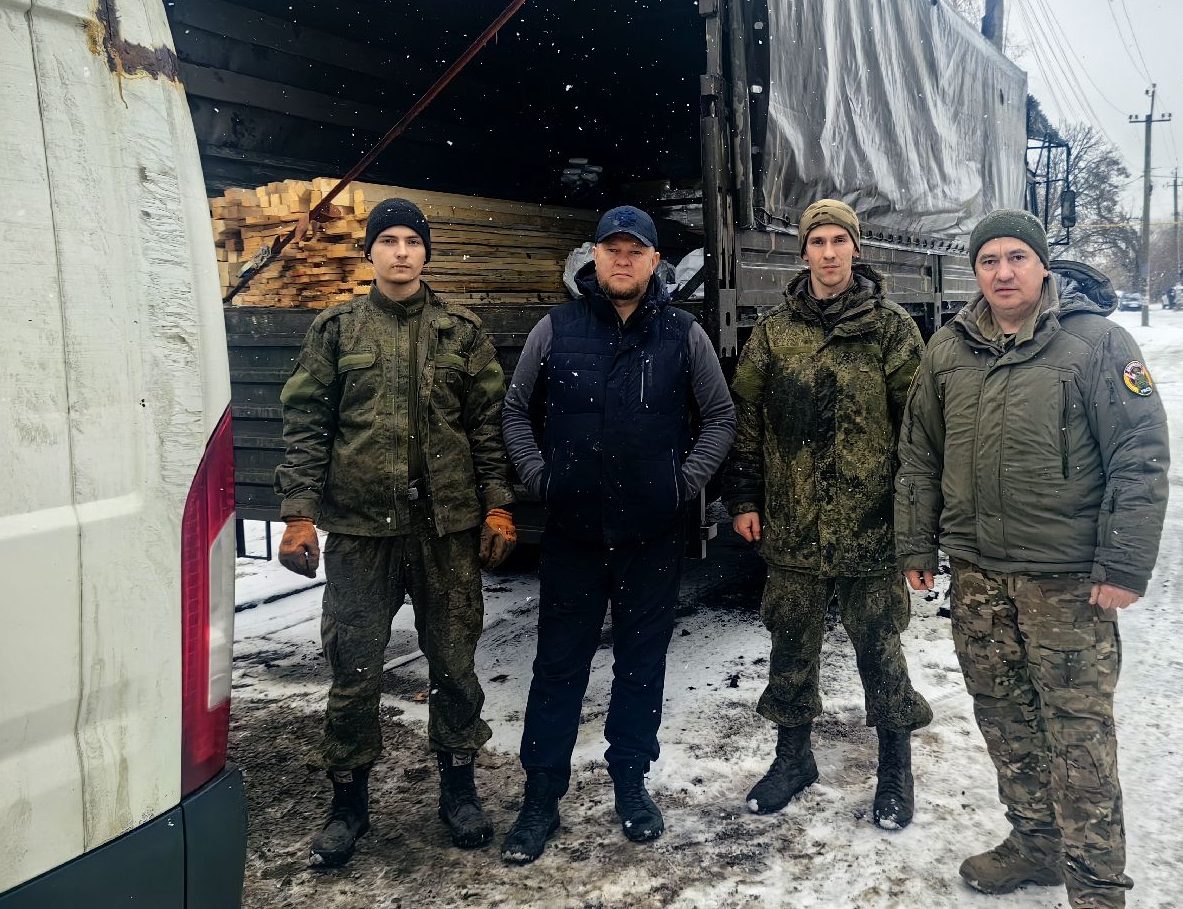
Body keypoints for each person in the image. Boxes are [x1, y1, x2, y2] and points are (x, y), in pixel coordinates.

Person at [895, 210, 1169, 908]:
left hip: (1066, 583)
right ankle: (1036, 843)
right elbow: (920, 454)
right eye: (989, 260)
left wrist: (1123, 564)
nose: (1003, 272)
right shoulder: (948, 350)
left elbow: (1139, 456)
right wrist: (917, 543)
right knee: (1005, 718)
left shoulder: (1097, 344)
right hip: (979, 575)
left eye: (1017, 256)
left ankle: (1097, 888)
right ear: (975, 271)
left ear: (1042, 264)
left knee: (1078, 736)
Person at [275, 197, 518, 866]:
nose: (402, 251)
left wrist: (498, 506)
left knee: (454, 665)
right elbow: (306, 424)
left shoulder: (460, 332)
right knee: (354, 669)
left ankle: (459, 791)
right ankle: (347, 805)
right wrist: (298, 513)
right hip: (361, 531)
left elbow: (486, 428)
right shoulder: (337, 329)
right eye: (389, 240)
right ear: (370, 252)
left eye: (413, 240)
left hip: (446, 530)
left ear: (427, 252)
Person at [499, 205, 735, 864]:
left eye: (636, 250)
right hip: (574, 535)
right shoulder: (556, 328)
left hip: (649, 537)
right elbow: (515, 412)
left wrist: (680, 485)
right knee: (557, 668)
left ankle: (631, 784)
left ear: (655, 261)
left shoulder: (683, 334)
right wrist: (541, 478)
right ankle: (540, 798)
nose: (623, 260)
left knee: (640, 666)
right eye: (612, 249)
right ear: (594, 257)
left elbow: (720, 418)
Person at [724, 199, 932, 828]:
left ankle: (894, 768)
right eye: (818, 241)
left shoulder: (891, 329)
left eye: (840, 240)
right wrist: (745, 497)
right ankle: (793, 759)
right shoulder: (774, 331)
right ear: (803, 251)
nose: (829, 252)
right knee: (790, 645)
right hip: (794, 525)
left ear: (856, 249)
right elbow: (747, 420)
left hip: (871, 525)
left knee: (880, 647)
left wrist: (914, 522)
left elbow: (918, 432)